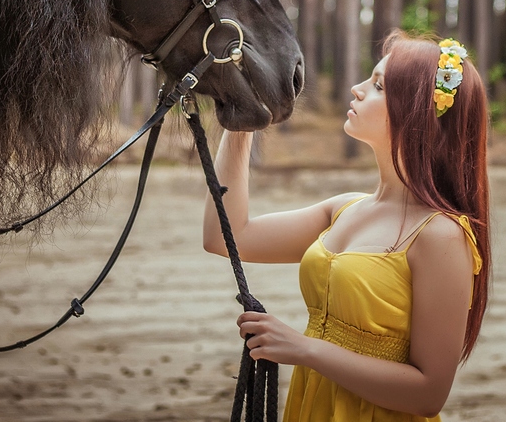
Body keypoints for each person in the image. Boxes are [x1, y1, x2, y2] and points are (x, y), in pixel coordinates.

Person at [203, 31, 490, 421]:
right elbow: (226, 236)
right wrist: (243, 119)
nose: (355, 89)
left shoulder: (440, 235)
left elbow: (428, 394)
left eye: (377, 86)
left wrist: (306, 349)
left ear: (416, 112)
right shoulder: (345, 209)